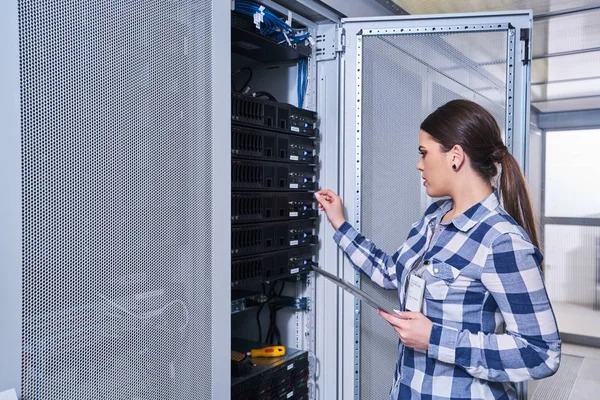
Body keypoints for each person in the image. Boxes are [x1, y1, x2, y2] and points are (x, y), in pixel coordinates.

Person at [314, 100, 561, 400]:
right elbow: (390, 271)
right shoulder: (434, 218)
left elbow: (542, 352)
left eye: (424, 153)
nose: (419, 164)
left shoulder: (502, 241)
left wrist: (434, 338)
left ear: (455, 156)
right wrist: (339, 224)